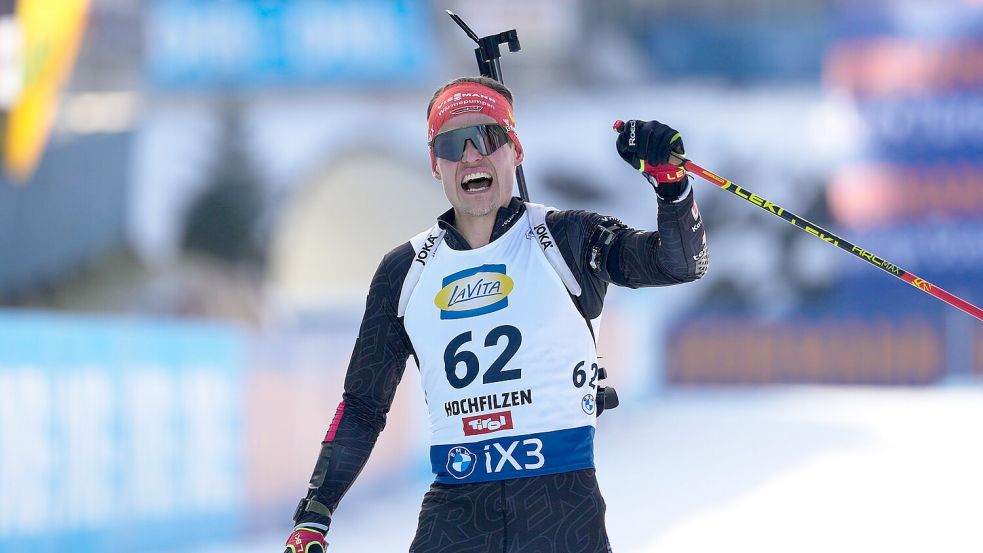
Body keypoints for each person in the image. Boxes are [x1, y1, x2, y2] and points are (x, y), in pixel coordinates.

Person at [284, 76, 708, 553]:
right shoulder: (405, 271)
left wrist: (672, 189)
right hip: (457, 516)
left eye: (487, 137)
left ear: (515, 149)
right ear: (434, 163)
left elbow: (680, 263)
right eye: (452, 143)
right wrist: (314, 515)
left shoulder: (567, 240)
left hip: (561, 517)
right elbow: (362, 407)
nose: (471, 155)